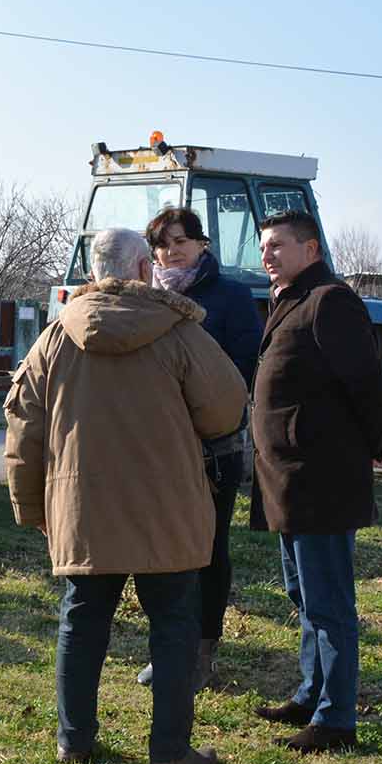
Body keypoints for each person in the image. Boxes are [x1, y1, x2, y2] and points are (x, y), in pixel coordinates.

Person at [5, 227, 247, 764]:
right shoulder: (180, 332)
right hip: (169, 506)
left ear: (93, 272)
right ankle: (169, 753)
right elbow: (225, 411)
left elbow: (23, 429)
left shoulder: (53, 339)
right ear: (144, 270)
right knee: (174, 626)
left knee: (82, 621)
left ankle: (75, 741)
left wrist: (31, 509)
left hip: (83, 507)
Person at [250, 210, 382, 754]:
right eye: (264, 246)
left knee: (328, 603)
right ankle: (311, 694)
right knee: (303, 595)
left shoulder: (330, 301)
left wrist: (371, 447)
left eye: (278, 245)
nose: (267, 255)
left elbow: (366, 386)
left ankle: (336, 719)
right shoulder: (287, 300)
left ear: (310, 249)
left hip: (321, 480)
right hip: (285, 480)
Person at [135, 207, 263, 691]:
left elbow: (243, 365)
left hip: (214, 445)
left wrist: (196, 401)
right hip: (155, 446)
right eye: (162, 244)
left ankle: (204, 650)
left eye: (180, 241)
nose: (171, 252)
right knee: (158, 550)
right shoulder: (146, 298)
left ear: (202, 244)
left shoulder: (228, 296)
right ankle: (168, 649)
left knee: (209, 548)